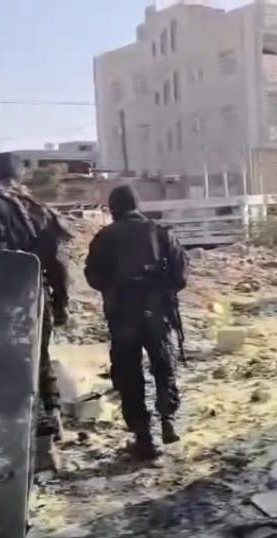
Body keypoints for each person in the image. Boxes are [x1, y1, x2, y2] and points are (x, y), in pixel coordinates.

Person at [0, 152, 71, 439]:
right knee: (40, 357)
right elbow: (58, 262)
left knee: (9, 361)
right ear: (21, 175)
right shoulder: (38, 209)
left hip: (6, 297)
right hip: (38, 293)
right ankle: (51, 417)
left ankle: (23, 428)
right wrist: (61, 302)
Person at [84, 186, 188, 460]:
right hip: (157, 313)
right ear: (137, 205)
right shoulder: (161, 232)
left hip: (123, 316)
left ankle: (144, 437)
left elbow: (93, 277)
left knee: (129, 375)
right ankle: (167, 420)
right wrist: (160, 291)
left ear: (113, 209)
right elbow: (180, 276)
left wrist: (116, 288)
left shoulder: (104, 238)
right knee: (164, 367)